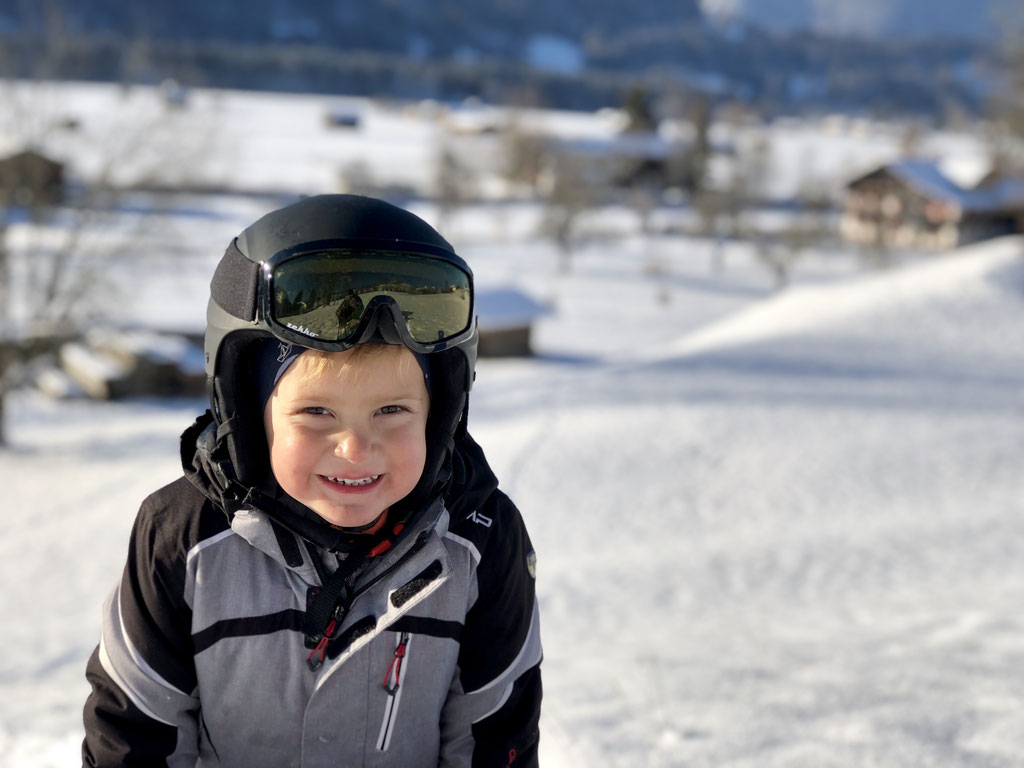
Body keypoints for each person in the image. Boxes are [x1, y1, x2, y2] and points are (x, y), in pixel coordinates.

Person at [82, 194, 542, 767]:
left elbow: (497, 740)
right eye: (316, 413)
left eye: (392, 411)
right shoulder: (185, 538)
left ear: (441, 412)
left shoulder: (479, 543)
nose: (355, 448)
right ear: (250, 417)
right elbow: (132, 733)